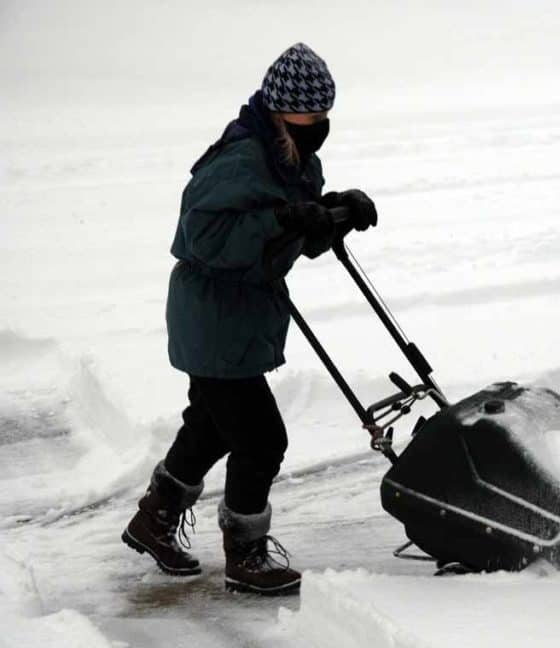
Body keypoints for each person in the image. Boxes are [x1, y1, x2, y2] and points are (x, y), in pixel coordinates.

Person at [121, 43, 377, 596]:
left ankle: (155, 519)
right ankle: (246, 554)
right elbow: (200, 236)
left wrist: (336, 213)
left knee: (212, 425)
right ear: (283, 111)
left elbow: (291, 233)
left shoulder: (293, 157)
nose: (322, 126)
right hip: (212, 316)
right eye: (314, 116)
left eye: (326, 116)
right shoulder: (240, 158)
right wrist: (280, 218)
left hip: (237, 316)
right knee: (261, 439)